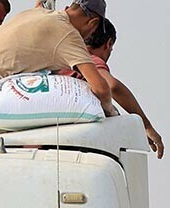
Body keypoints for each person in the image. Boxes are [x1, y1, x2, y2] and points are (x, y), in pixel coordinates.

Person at [0, 0, 118, 119]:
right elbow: (102, 88)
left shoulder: (37, 13)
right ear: (93, 23)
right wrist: (112, 114)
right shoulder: (68, 33)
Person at [59, 19, 164, 158]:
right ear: (108, 44)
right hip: (79, 140)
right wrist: (146, 126)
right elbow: (111, 86)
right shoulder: (90, 60)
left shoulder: (59, 59)